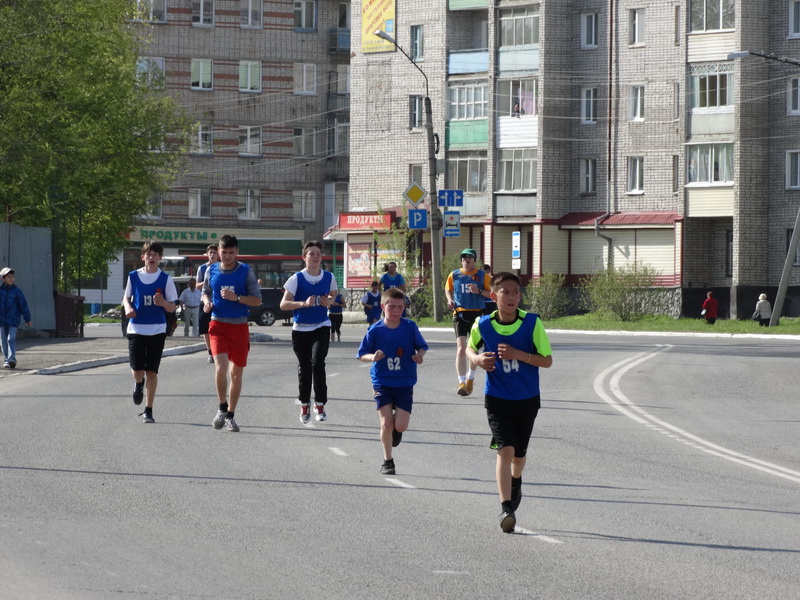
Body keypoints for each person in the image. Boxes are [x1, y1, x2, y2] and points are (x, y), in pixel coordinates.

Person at [466, 272, 553, 533]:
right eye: (505, 291)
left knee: (519, 455)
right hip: (497, 398)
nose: (511, 296)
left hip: (527, 398)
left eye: (515, 291)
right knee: (504, 450)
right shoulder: (482, 324)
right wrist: (478, 360)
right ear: (493, 296)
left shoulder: (532, 323)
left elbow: (546, 360)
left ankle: (516, 481)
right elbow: (469, 349)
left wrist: (520, 355)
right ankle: (506, 508)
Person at [357, 288, 428, 475]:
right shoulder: (375, 330)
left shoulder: (410, 327)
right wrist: (373, 357)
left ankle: (396, 430)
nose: (396, 310)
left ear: (404, 307)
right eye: (391, 306)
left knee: (401, 426)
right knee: (386, 424)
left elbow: (422, 347)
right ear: (383, 306)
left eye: (400, 307)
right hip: (382, 381)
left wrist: (419, 356)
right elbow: (361, 354)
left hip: (405, 381)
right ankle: (388, 461)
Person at [201, 235, 261, 432]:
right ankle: (221, 407)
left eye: (231, 252)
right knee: (220, 367)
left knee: (236, 373)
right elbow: (206, 291)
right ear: (218, 252)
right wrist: (206, 302)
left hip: (239, 327)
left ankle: (231, 415)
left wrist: (237, 298)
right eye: (224, 252)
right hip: (218, 325)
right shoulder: (211, 269)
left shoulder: (245, 272)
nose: (227, 256)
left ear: (237, 252)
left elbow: (256, 300)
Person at [280, 241, 338, 424]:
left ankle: (319, 404)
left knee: (318, 362)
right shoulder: (296, 279)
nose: (315, 256)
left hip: (321, 325)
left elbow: (333, 295)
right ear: (304, 257)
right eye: (311, 253)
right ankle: (304, 403)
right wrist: (302, 304)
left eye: (318, 253)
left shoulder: (329, 277)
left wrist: (329, 301)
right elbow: (283, 304)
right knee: (305, 367)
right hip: (301, 329)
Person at [122, 242, 178, 423]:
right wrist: (128, 307)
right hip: (136, 328)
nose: (152, 257)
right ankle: (139, 383)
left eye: (155, 254)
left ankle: (149, 410)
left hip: (157, 329)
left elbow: (173, 308)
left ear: (160, 258)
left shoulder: (166, 279)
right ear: (143, 257)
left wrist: (163, 303)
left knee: (152, 372)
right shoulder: (133, 276)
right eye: (148, 254)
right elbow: (126, 297)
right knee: (137, 370)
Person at [445, 248, 492, 396]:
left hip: (477, 315)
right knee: (461, 348)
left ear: (475, 260)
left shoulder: (482, 275)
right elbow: (448, 289)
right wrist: (450, 300)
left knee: (473, 349)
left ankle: (470, 378)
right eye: (464, 257)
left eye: (469, 257)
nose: (466, 260)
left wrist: (478, 291)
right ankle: (461, 381)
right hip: (459, 314)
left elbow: (492, 293)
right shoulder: (455, 274)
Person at [0, 267, 32, 370]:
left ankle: (12, 359)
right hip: (1, 321)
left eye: (12, 277)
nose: (11, 279)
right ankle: (6, 360)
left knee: (11, 339)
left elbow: (24, 306)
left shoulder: (17, 291)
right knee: (3, 341)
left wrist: (27, 319)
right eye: (9, 277)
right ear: (3, 278)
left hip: (13, 320)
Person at [196, 244, 220, 362]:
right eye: (210, 252)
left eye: (214, 252)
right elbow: (197, 285)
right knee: (205, 329)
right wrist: (207, 282)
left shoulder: (222, 268)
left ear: (218, 254)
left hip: (218, 302)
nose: (212, 254)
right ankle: (210, 352)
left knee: (217, 328)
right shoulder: (202, 268)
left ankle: (218, 351)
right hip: (205, 302)